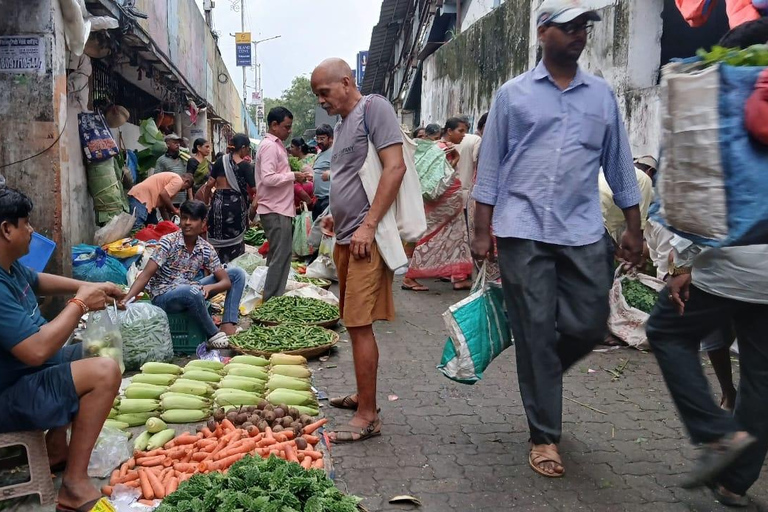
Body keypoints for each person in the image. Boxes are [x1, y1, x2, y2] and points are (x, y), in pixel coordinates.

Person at [472, 0, 643, 478]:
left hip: (583, 229)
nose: (579, 34)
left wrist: (634, 225)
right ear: (542, 32)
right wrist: (481, 231)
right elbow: (490, 168)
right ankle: (544, 435)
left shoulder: (602, 97)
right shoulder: (512, 95)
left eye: (584, 26)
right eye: (568, 26)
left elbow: (619, 164)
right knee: (536, 332)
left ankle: (542, 370)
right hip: (522, 228)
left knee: (590, 325)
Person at [0, 187, 124, 512]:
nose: (31, 231)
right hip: (6, 396)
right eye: (26, 224)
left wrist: (91, 286)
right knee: (103, 372)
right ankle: (73, 486)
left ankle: (57, 450)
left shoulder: (9, 268)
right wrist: (81, 303)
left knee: (88, 351)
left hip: (20, 377)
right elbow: (36, 351)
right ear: (6, 229)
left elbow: (38, 280)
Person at [311, 58, 406, 443]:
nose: (322, 101)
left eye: (324, 92)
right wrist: (335, 214)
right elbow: (352, 176)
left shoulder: (374, 108)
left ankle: (369, 415)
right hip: (346, 238)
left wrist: (367, 224)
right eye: (317, 95)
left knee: (358, 325)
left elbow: (394, 168)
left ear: (347, 83)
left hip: (367, 240)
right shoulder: (341, 124)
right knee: (353, 323)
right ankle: (361, 396)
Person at [647, 240, 767, 506]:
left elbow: (700, 211)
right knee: (761, 375)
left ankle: (718, 432)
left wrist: (681, 265)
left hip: (729, 265)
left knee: (667, 332)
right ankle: (733, 485)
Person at [124, 200, 245, 348]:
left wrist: (209, 288)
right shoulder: (168, 242)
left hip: (189, 290)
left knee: (237, 273)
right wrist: (126, 300)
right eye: (184, 218)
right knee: (192, 291)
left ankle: (227, 325)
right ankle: (213, 334)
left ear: (203, 223)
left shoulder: (205, 248)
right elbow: (145, 275)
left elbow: (225, 281)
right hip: (164, 297)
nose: (187, 223)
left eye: (193, 219)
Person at [402, 117, 474, 292]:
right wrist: (455, 160)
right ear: (449, 131)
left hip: (447, 202)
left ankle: (458, 277)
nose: (463, 135)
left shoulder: (435, 147)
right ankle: (409, 277)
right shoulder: (444, 149)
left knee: (456, 237)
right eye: (461, 131)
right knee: (432, 237)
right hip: (443, 203)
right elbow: (440, 177)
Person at [255, 107, 311, 301]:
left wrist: (294, 179)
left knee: (279, 255)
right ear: (274, 125)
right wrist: (292, 175)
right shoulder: (270, 146)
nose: (289, 131)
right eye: (286, 127)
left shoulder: (275, 145)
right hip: (274, 208)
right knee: (281, 255)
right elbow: (268, 178)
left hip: (278, 207)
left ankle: (273, 297)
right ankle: (272, 300)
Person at [207, 134, 255, 263]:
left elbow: (209, 184)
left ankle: (215, 268)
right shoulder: (245, 166)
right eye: (248, 148)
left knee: (217, 239)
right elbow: (255, 190)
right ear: (243, 147)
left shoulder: (219, 161)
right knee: (235, 242)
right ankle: (234, 269)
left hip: (218, 204)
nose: (248, 151)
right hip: (235, 207)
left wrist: (207, 202)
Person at [599, 157, 654, 244]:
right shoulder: (645, 179)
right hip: (600, 219)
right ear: (649, 171)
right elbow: (638, 226)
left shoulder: (617, 171)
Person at [128, 172, 194, 230]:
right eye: (186, 188)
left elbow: (162, 208)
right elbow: (164, 194)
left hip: (148, 202)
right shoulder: (178, 181)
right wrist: (175, 210)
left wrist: (170, 225)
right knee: (136, 226)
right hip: (141, 198)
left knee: (154, 227)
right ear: (186, 182)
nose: (183, 191)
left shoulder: (172, 179)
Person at [154, 133, 191, 204]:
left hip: (183, 199)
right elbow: (157, 179)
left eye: (178, 143)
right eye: (175, 143)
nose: (178, 145)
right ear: (167, 144)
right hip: (169, 199)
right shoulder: (161, 160)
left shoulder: (183, 158)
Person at [456, 116, 482, 208]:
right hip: (466, 192)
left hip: (448, 194)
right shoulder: (476, 139)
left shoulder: (444, 141)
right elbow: (477, 162)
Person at [312, 124, 334, 220]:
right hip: (319, 199)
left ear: (330, 139)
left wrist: (330, 174)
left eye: (322, 138)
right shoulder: (320, 153)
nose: (319, 141)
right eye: (318, 138)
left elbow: (344, 171)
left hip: (328, 199)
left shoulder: (335, 152)